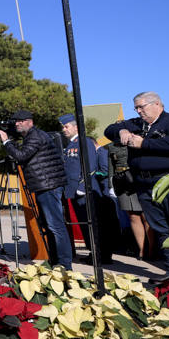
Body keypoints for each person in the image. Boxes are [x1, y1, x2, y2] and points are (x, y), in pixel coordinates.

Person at [104, 92, 169, 281]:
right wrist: (121, 131)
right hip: (145, 185)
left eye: (141, 107)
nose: (138, 111)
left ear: (157, 104)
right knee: (161, 230)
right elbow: (109, 129)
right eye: (136, 108)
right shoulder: (137, 124)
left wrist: (145, 143)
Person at [0, 110, 71, 266]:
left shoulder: (35, 136)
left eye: (20, 121)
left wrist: (6, 142)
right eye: (15, 121)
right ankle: (55, 262)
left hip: (48, 185)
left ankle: (65, 265)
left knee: (56, 226)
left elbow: (21, 155)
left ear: (29, 122)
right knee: (49, 227)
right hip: (44, 184)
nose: (17, 123)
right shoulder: (32, 136)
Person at [60, 113, 120, 265]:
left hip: (85, 191)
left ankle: (102, 255)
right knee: (86, 225)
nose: (64, 130)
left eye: (66, 126)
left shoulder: (84, 142)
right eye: (63, 127)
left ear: (75, 127)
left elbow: (91, 166)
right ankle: (94, 253)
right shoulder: (71, 145)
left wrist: (82, 186)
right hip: (74, 191)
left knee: (94, 224)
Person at [108, 140, 148, 258]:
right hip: (122, 182)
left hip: (138, 180)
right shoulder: (112, 146)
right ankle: (142, 250)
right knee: (133, 216)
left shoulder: (137, 141)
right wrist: (111, 185)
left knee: (146, 216)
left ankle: (151, 249)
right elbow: (111, 166)